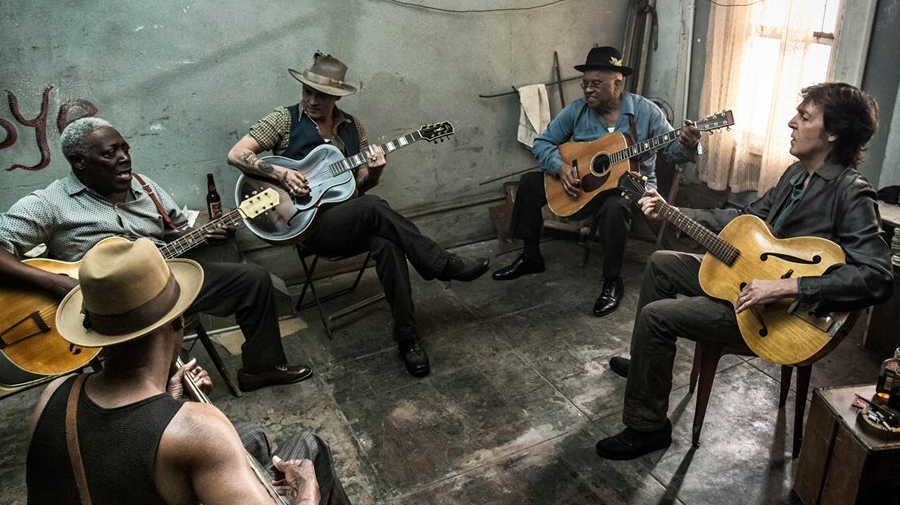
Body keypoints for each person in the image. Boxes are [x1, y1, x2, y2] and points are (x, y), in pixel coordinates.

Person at [26, 236, 404, 505]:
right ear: (179, 322)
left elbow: (120, 464)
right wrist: (308, 490)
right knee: (311, 449)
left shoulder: (54, 395)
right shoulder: (196, 429)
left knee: (250, 437)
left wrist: (165, 404)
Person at [595, 82, 894, 460]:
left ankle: (647, 427)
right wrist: (674, 212)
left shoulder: (851, 193)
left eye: (804, 117)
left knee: (657, 318)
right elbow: (747, 219)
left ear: (833, 133)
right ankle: (645, 367)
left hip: (778, 314)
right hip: (746, 278)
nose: (791, 122)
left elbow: (877, 276)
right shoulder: (794, 175)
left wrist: (789, 288)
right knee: (661, 263)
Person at [227, 52, 490, 378]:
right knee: (375, 208)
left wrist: (374, 174)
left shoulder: (353, 128)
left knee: (387, 242)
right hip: (306, 227)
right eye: (307, 91)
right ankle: (441, 264)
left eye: (320, 94)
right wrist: (282, 176)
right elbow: (236, 154)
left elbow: (356, 191)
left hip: (348, 220)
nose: (311, 99)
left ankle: (408, 338)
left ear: (337, 95)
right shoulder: (283, 120)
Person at [0, 117, 310, 393]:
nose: (124, 159)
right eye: (110, 154)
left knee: (252, 279)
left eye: (126, 149)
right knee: (168, 362)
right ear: (80, 162)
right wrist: (55, 284)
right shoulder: (50, 203)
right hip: (105, 309)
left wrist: (202, 237)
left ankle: (261, 367)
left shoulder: (145, 187)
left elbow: (174, 235)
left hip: (167, 279)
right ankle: (169, 404)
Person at [492, 46, 701, 317]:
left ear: (618, 83)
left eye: (596, 84)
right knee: (530, 183)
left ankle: (612, 280)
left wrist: (689, 144)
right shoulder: (576, 111)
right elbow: (542, 142)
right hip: (584, 186)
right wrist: (560, 167)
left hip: (635, 184)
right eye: (585, 84)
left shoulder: (646, 112)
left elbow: (672, 153)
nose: (588, 90)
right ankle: (531, 255)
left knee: (615, 207)